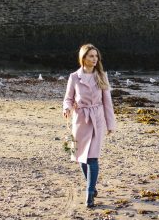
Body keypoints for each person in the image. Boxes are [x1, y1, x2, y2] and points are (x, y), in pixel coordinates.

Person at [63, 44, 116, 208]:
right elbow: (68, 98)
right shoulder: (73, 77)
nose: (95, 59)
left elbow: (108, 102)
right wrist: (66, 108)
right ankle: (92, 185)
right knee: (80, 157)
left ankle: (90, 193)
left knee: (92, 157)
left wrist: (110, 124)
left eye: (96, 56)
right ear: (83, 58)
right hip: (79, 120)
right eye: (91, 56)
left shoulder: (102, 75)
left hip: (97, 119)